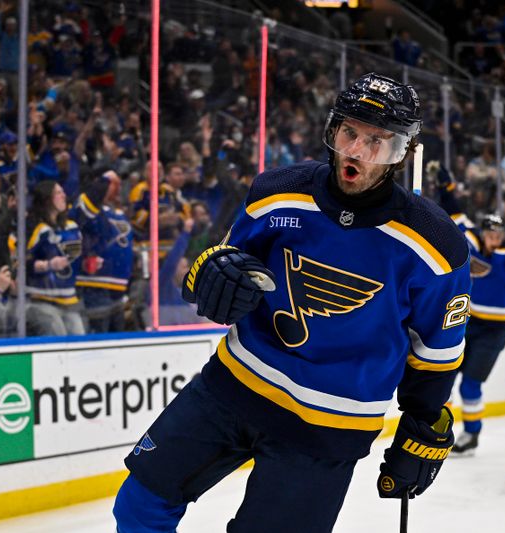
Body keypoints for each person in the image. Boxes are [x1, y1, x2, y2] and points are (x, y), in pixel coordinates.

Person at [113, 73, 471, 532]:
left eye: (377, 141)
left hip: (330, 424)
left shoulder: (435, 244)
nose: (357, 151)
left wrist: (424, 422)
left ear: (401, 153)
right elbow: (220, 263)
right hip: (233, 385)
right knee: (139, 504)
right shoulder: (277, 191)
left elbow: (438, 348)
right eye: (350, 133)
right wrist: (210, 273)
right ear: (333, 130)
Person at [434, 164, 505, 455]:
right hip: (468, 323)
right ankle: (440, 428)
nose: (495, 238)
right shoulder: (473, 246)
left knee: (470, 387)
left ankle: (473, 435)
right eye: (491, 233)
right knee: (445, 381)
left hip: (495, 331)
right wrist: (446, 188)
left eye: (499, 234)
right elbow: (455, 217)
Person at [70, 171, 133, 333]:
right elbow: (85, 208)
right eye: (113, 184)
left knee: (118, 342)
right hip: (95, 284)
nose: (117, 188)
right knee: (99, 336)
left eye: (119, 184)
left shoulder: (118, 213)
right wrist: (104, 179)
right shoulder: (89, 207)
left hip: (118, 287)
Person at [25, 180, 85, 336]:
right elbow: (23, 263)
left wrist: (87, 263)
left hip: (69, 301)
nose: (64, 195)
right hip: (41, 300)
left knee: (79, 339)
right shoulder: (36, 228)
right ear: (46, 199)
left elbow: (77, 261)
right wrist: (48, 265)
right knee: (57, 335)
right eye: (58, 193)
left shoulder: (72, 227)